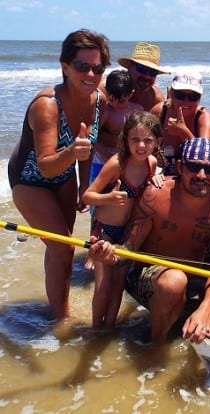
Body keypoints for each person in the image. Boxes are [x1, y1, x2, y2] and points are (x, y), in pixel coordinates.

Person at [89, 137, 210, 345]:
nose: (202, 175)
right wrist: (110, 255)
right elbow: (128, 250)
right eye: (194, 167)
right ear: (179, 166)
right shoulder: (155, 196)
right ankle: (156, 345)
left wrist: (207, 308)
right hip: (154, 277)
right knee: (174, 282)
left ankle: (192, 316)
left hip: (197, 279)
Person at [7, 29, 111, 322]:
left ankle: (57, 310)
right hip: (29, 179)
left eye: (98, 68)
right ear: (64, 66)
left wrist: (83, 187)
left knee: (59, 249)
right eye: (82, 66)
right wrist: (72, 154)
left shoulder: (98, 99)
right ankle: (62, 321)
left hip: (64, 176)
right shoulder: (47, 106)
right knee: (64, 250)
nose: (90, 73)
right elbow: (45, 165)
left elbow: (85, 146)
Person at [82, 111, 160, 328]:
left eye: (147, 140)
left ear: (156, 142)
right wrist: (108, 197)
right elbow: (88, 195)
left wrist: (157, 178)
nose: (141, 146)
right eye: (135, 139)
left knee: (118, 286)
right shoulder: (117, 164)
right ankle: (95, 328)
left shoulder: (151, 164)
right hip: (103, 231)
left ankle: (109, 329)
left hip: (125, 234)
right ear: (126, 140)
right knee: (104, 286)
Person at [151, 70, 210, 176]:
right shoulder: (159, 112)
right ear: (171, 93)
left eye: (193, 97)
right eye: (180, 95)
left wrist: (183, 132)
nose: (186, 102)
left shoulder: (203, 118)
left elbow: (207, 158)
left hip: (193, 177)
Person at [90, 69, 143, 184]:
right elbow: (92, 136)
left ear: (131, 94)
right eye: (112, 99)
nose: (116, 103)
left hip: (125, 156)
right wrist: (107, 155)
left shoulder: (137, 110)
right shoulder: (106, 111)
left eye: (122, 101)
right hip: (102, 156)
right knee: (99, 187)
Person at [118, 42, 169, 111]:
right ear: (130, 67)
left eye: (153, 72)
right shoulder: (112, 88)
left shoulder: (155, 99)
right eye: (142, 69)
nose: (147, 76)